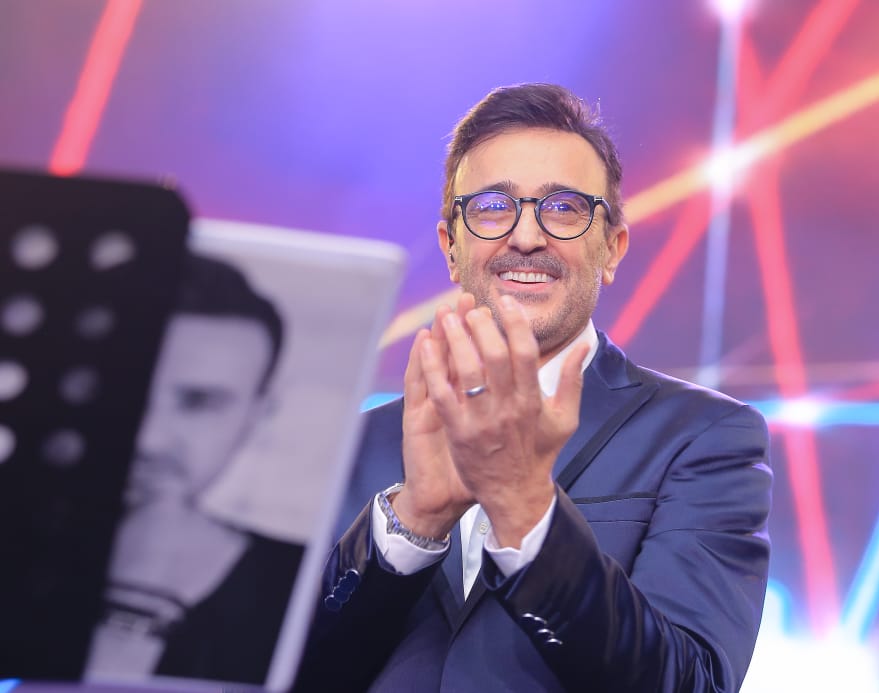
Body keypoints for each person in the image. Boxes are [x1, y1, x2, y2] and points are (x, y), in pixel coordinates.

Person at [296, 83, 772, 692]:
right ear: (450, 246)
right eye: (493, 206)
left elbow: (691, 683)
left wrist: (526, 511)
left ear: (612, 249)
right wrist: (414, 520)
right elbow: (269, 674)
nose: (526, 237)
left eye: (565, 208)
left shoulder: (704, 438)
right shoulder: (350, 443)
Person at [86, 253, 303, 684]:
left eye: (199, 403)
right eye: (125, 388)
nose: (148, 439)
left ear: (258, 415)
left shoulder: (308, 584)